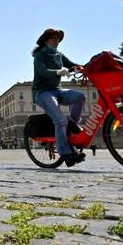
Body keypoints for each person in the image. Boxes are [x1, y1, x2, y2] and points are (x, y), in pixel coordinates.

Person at [32, 28, 86, 167]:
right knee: (60, 120)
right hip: (42, 93)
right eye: (53, 38)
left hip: (58, 91)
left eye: (58, 39)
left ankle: (72, 124)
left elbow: (72, 65)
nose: (56, 41)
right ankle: (66, 153)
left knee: (80, 97)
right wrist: (58, 71)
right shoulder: (40, 56)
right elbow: (43, 72)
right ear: (46, 41)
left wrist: (84, 68)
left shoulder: (59, 55)